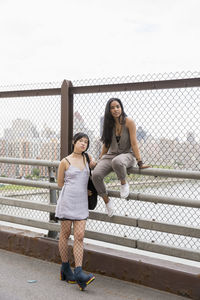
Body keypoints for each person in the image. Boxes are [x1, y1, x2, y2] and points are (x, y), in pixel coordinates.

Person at [92, 98, 150, 217]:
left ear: (121, 107)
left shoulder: (129, 122)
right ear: (109, 110)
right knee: (96, 174)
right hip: (111, 155)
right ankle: (107, 202)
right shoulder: (108, 124)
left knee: (117, 161)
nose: (115, 109)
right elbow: (106, 144)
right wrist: (100, 159)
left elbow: (134, 143)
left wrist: (140, 162)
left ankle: (123, 183)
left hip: (127, 155)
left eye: (118, 106)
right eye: (112, 108)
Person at [55, 132, 96, 291]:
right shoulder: (65, 162)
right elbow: (60, 184)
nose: (83, 144)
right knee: (65, 234)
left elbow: (94, 166)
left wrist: (93, 160)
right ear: (74, 142)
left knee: (79, 235)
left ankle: (78, 272)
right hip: (67, 201)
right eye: (80, 141)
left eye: (86, 142)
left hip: (82, 204)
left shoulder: (87, 159)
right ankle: (65, 268)